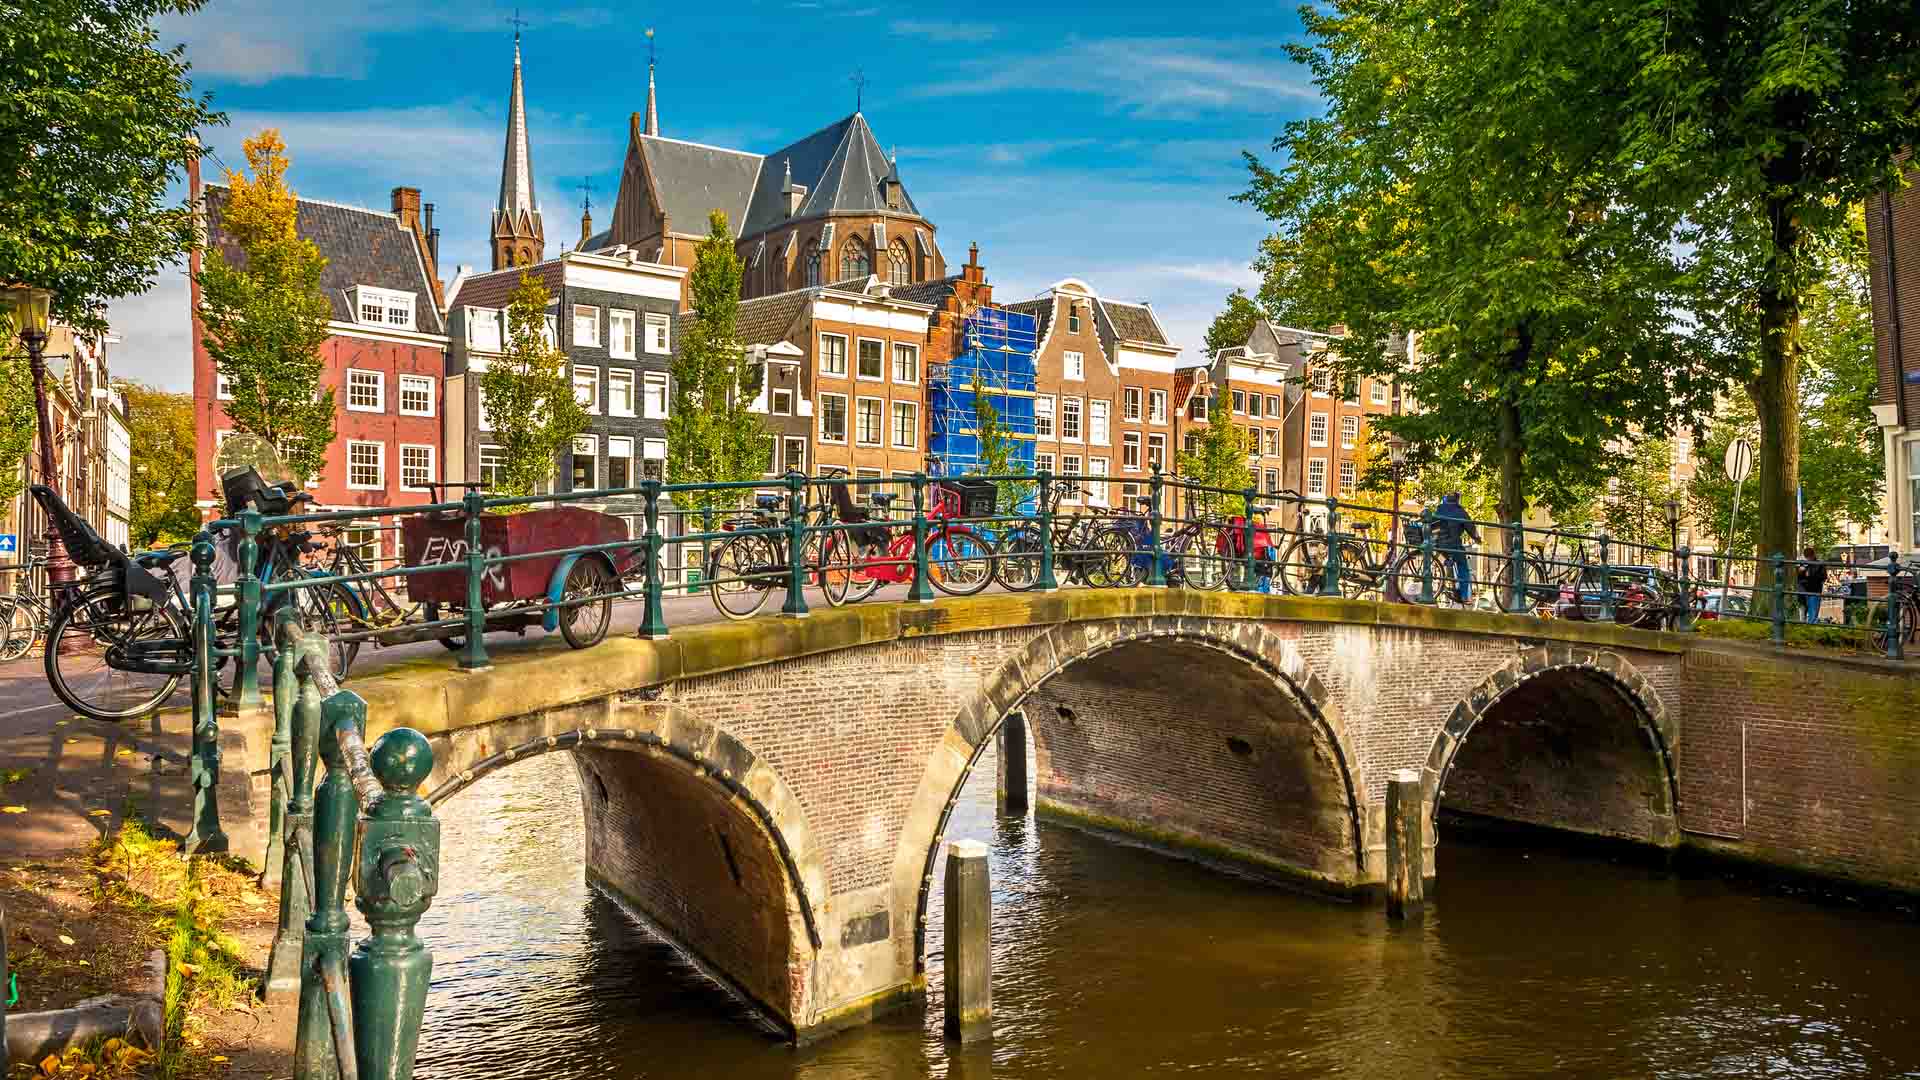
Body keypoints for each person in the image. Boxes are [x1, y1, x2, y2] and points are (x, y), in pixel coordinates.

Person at [1430, 492, 1481, 604]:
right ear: (1457, 500)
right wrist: (1478, 539)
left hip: (1439, 543)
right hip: (1453, 544)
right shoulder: (1460, 512)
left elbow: (1433, 524)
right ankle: (1463, 596)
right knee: (1463, 565)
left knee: (1449, 558)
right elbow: (1471, 528)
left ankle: (1449, 580)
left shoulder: (1440, 509)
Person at [1797, 546, 1828, 623]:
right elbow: (1798, 578)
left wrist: (1808, 574)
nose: (1808, 559)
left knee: (1812, 613)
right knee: (1806, 612)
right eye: (1807, 557)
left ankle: (1809, 626)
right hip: (1806, 591)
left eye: (1808, 557)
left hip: (1812, 591)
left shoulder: (1819, 564)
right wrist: (1800, 572)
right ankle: (1807, 626)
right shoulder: (1802, 564)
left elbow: (1823, 577)